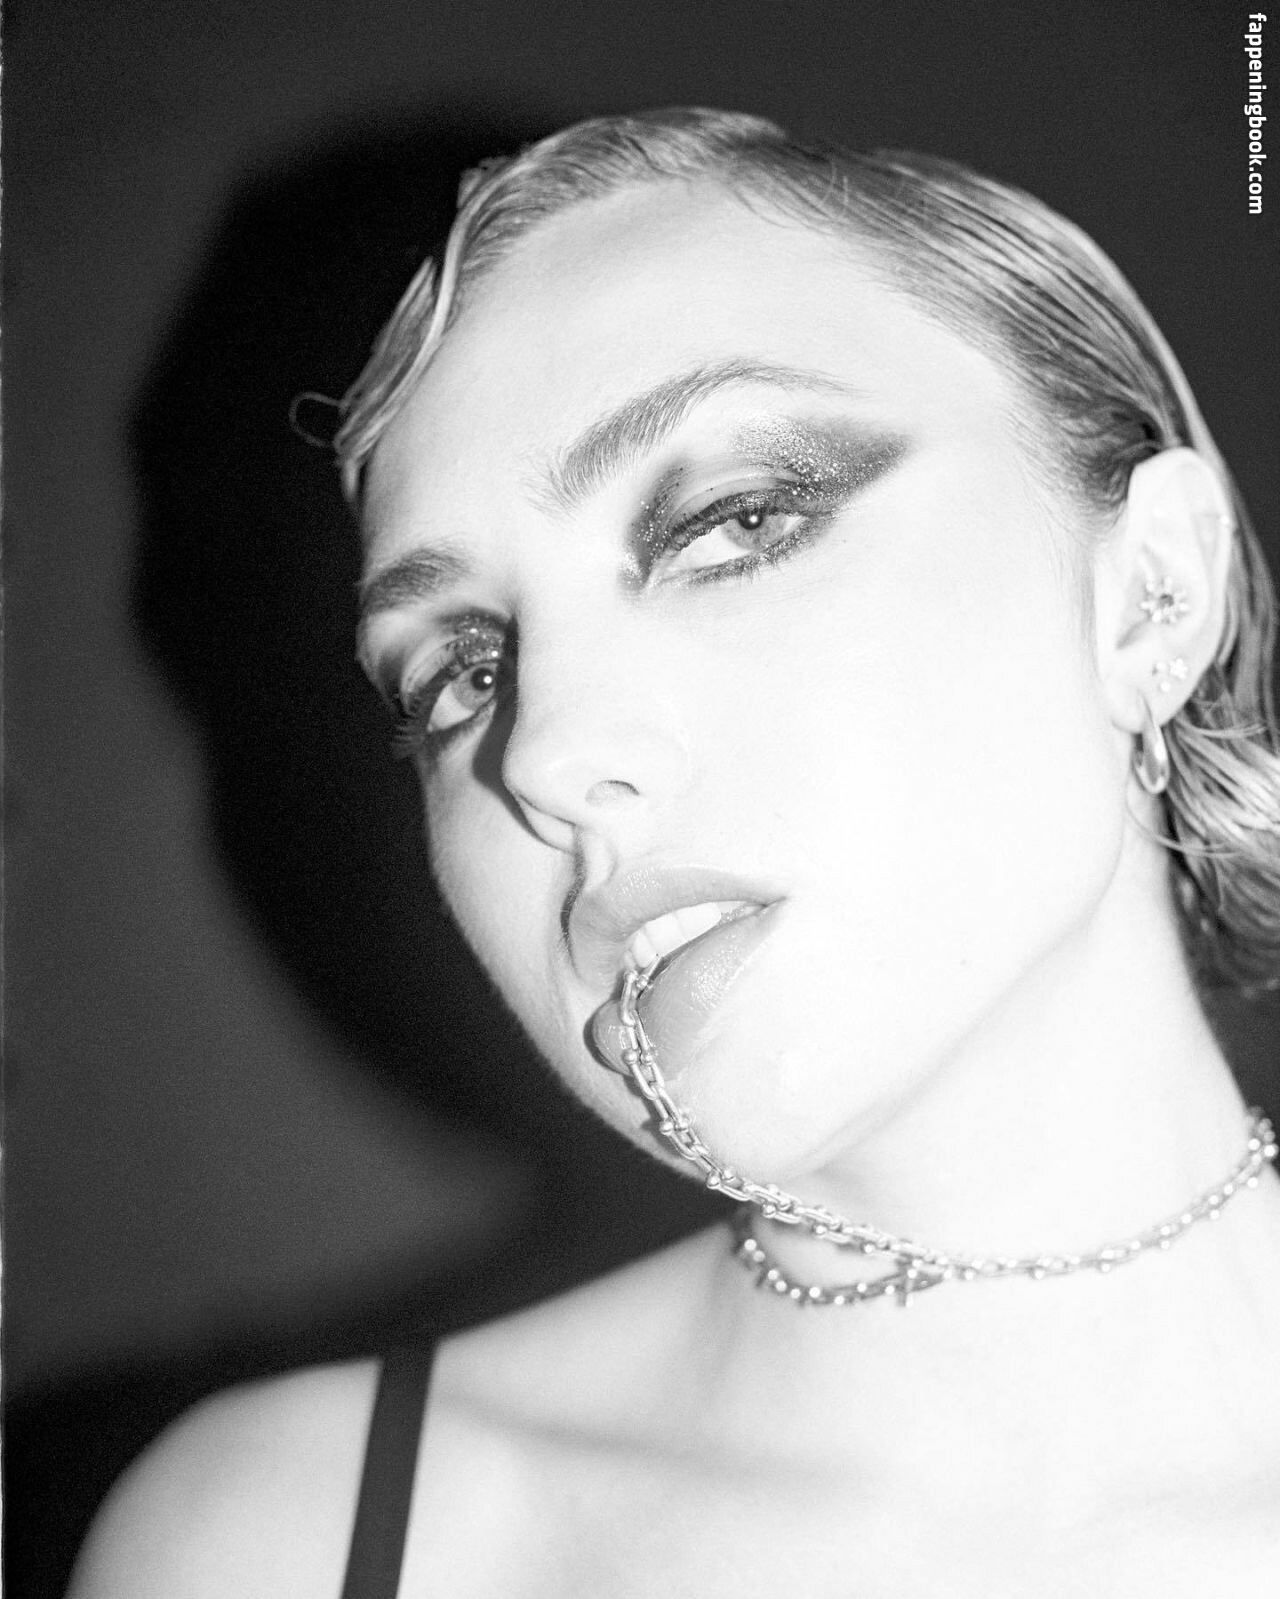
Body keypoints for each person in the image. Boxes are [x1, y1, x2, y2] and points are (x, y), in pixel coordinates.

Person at [70, 108, 1280, 1598]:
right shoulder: (281, 1547)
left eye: (733, 523)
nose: (543, 752)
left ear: (1153, 597)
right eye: (460, 673)